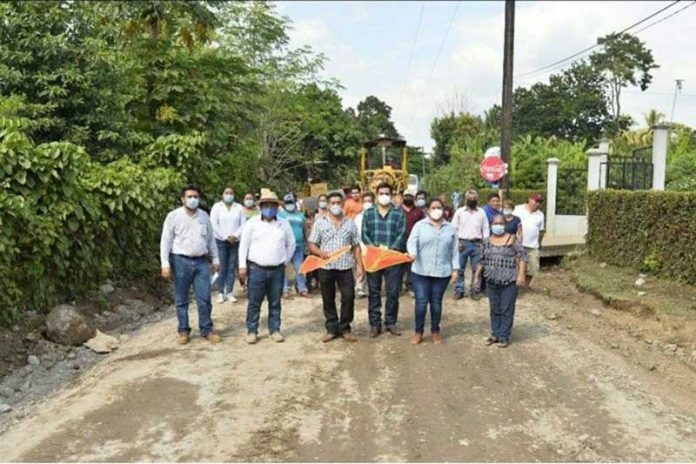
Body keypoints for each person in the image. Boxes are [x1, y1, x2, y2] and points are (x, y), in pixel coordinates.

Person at [160, 185, 221, 345]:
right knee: (181, 298)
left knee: (204, 298)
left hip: (201, 261)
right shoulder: (173, 216)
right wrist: (165, 263)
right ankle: (183, 331)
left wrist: (216, 259)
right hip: (180, 261)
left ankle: (207, 330)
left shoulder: (204, 216)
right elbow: (166, 241)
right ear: (183, 199)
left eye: (195, 196)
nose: (193, 199)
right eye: (189, 196)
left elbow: (210, 239)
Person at [238, 189, 296, 344]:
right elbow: (243, 246)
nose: (269, 208)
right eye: (266, 205)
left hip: (277, 269)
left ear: (277, 207)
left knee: (275, 301)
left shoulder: (283, 224)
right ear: (261, 206)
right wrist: (242, 266)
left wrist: (284, 261)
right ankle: (252, 330)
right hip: (256, 269)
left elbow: (291, 244)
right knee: (254, 302)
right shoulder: (252, 223)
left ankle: (275, 329)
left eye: (272, 205)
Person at [308, 191, 364, 343]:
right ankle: (332, 328)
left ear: (343, 204)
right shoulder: (320, 223)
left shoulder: (350, 223)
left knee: (349, 297)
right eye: (332, 203)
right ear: (327, 205)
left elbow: (356, 246)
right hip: (326, 267)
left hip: (345, 267)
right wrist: (320, 253)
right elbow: (312, 244)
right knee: (328, 298)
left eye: (338, 203)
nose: (335, 206)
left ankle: (345, 327)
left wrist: (360, 266)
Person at [407, 198, 459, 345]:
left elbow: (455, 250)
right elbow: (412, 241)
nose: (436, 210)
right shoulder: (420, 226)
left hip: (442, 272)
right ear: (428, 210)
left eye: (439, 207)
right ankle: (418, 332)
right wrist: (412, 253)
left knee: (436, 303)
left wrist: (455, 269)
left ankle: (435, 331)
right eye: (433, 207)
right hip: (421, 271)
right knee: (421, 302)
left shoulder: (450, 228)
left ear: (443, 210)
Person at [474, 214, 527, 348]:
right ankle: (495, 335)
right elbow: (481, 261)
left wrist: (521, 275)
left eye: (501, 223)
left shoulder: (512, 240)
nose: (498, 226)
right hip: (491, 280)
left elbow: (523, 257)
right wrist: (476, 277)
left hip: (509, 281)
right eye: (495, 223)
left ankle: (504, 336)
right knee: (494, 309)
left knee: (507, 309)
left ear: (505, 225)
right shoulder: (486, 242)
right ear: (491, 225)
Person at [362, 182, 407, 337]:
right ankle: (375, 325)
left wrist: (390, 250)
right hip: (374, 259)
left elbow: (402, 234)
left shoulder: (399, 213)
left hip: (392, 258)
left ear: (392, 195)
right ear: (376, 195)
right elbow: (364, 234)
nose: (384, 196)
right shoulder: (368, 213)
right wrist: (375, 249)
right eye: (381, 193)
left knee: (393, 292)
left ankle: (391, 322)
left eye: (387, 193)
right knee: (374, 292)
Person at [210, 186, 246, 304]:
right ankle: (221, 293)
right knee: (222, 268)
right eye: (226, 193)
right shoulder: (217, 207)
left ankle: (229, 292)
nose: (229, 195)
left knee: (231, 268)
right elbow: (214, 224)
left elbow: (243, 224)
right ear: (222, 194)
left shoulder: (239, 207)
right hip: (220, 241)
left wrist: (235, 236)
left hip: (235, 241)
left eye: (231, 193)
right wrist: (225, 237)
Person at [452, 189, 489, 300]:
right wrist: (456, 242)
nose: (472, 200)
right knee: (459, 269)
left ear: (477, 199)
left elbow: (485, 228)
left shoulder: (481, 212)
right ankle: (459, 291)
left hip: (477, 243)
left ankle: (475, 290)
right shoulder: (459, 212)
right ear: (466, 199)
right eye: (470, 198)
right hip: (462, 243)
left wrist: (485, 243)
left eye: (474, 198)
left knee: (477, 269)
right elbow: (453, 228)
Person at [278, 193, 310, 299]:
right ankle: (284, 290)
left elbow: (305, 229)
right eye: (287, 203)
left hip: (299, 246)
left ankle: (302, 289)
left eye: (291, 202)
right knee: (284, 268)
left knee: (299, 267)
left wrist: (308, 242)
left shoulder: (300, 215)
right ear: (284, 204)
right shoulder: (280, 215)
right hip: (285, 246)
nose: (289, 204)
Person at [513, 193, 545, 287]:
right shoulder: (517, 209)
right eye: (536, 201)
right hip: (518, 245)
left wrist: (539, 243)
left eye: (540, 202)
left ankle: (525, 286)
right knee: (516, 267)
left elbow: (541, 231)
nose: (538, 204)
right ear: (529, 199)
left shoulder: (540, 214)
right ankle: (515, 286)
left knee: (533, 268)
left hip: (532, 246)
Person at [401, 192, 425, 294]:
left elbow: (423, 226)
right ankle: (399, 287)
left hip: (414, 242)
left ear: (414, 198)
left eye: (410, 196)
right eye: (406, 196)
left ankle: (410, 286)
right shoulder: (397, 210)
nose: (408, 198)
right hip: (400, 241)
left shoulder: (419, 212)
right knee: (399, 265)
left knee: (412, 265)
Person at [353, 191, 374, 298]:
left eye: (369, 201)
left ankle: (372, 288)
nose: (367, 203)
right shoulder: (359, 217)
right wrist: (359, 246)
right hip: (361, 245)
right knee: (360, 266)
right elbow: (356, 233)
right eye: (365, 201)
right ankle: (359, 287)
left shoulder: (376, 215)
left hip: (374, 246)